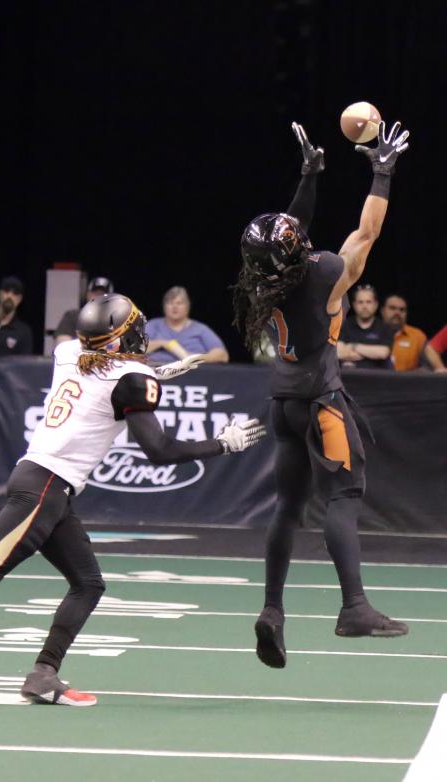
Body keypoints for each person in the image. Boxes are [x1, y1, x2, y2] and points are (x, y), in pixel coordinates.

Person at [0, 292, 265, 704]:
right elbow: (158, 450)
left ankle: (44, 674)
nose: (140, 335)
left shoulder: (69, 352)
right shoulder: (129, 381)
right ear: (120, 342)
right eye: (132, 331)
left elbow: (106, 372)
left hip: (46, 484)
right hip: (45, 486)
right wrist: (220, 444)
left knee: (87, 584)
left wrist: (161, 371)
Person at [232, 120, 410, 669]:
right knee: (343, 496)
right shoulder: (325, 273)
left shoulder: (261, 277)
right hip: (320, 402)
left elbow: (290, 234)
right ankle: (353, 606)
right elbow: (365, 236)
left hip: (282, 401)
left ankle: (272, 609)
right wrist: (382, 173)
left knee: (288, 505)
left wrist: (309, 176)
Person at [145, 286, 229, 364]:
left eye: (179, 303)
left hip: (193, 373)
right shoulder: (153, 325)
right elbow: (135, 349)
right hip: (156, 372)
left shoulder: (200, 329)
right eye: (170, 303)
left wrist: (191, 358)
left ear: (187, 307)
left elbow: (222, 355)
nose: (175, 307)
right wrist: (166, 344)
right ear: (164, 306)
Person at [380, 293, 444, 372]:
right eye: (392, 308)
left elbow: (427, 368)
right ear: (382, 311)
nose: (397, 313)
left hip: (409, 382)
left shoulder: (418, 336)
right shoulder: (372, 332)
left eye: (402, 310)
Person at [337, 285, 394, 369]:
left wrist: (353, 346)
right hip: (349, 377)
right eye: (360, 302)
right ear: (354, 305)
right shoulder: (344, 325)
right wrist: (370, 353)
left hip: (378, 378)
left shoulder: (385, 328)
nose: (364, 306)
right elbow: (339, 353)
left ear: (376, 304)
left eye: (368, 302)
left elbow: (383, 353)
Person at [54, 276, 113, 345]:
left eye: (103, 294)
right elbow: (62, 343)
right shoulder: (72, 316)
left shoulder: (117, 319)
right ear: (88, 295)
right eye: (95, 293)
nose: (98, 297)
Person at [0, 275, 33, 357]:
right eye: (7, 291)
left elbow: (23, 365)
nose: (10, 296)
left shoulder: (23, 332)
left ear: (20, 299)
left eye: (15, 293)